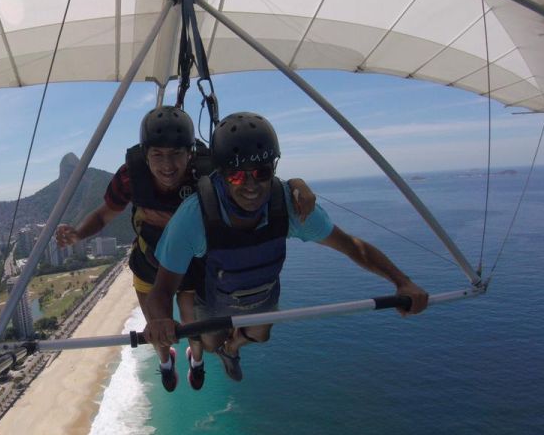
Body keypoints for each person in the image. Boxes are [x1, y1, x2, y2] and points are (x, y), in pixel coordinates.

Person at [144, 111, 429, 382]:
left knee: (260, 335)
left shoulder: (289, 208)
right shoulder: (195, 217)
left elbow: (353, 247)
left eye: (261, 172)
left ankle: (232, 349)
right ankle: (219, 347)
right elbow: (162, 289)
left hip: (262, 296)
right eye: (236, 176)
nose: (251, 185)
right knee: (209, 343)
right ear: (220, 173)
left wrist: (402, 281)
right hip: (215, 300)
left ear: (274, 168)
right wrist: (160, 320)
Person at [56, 106, 317, 391]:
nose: (168, 165)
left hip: (192, 267)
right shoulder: (131, 176)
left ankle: (196, 360)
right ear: (146, 155)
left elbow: (252, 180)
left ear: (190, 153)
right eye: (158, 155)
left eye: (177, 154)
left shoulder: (206, 173)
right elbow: (105, 213)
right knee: (158, 328)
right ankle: (166, 361)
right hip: (149, 263)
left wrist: (295, 184)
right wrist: (79, 233)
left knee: (196, 331)